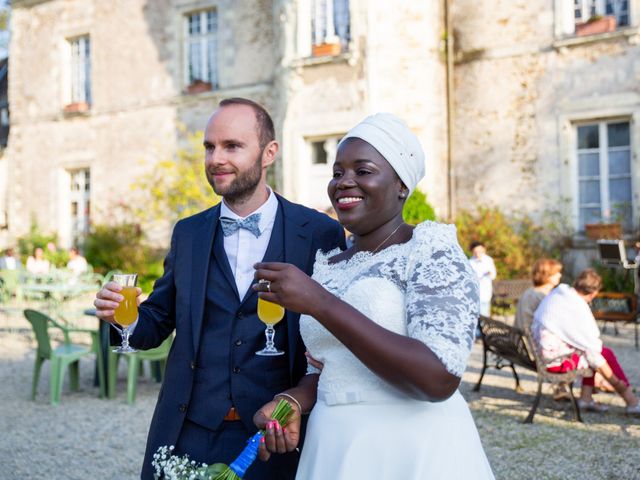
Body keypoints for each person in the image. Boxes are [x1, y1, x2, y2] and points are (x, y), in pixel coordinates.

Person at [93, 98, 345, 479]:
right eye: (209, 147)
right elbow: (159, 319)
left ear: (269, 153)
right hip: (191, 430)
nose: (215, 158)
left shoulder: (318, 232)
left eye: (232, 146)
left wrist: (296, 403)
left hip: (275, 435)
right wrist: (122, 320)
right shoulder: (188, 232)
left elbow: (333, 335)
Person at [252, 113, 494, 479]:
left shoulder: (431, 250)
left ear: (401, 185)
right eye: (337, 173)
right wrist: (291, 403)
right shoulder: (329, 266)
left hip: (411, 447)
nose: (344, 182)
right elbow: (328, 368)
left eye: (362, 171)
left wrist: (320, 302)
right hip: (334, 446)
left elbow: (439, 378)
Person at [532, 268, 640, 415]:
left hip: (542, 353)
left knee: (591, 352)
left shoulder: (560, 293)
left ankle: (586, 398)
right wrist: (617, 383)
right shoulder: (578, 307)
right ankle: (631, 401)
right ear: (594, 293)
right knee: (602, 353)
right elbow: (594, 349)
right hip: (555, 362)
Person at [514, 258, 563, 332]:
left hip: (520, 338)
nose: (560, 275)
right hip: (531, 339)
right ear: (547, 275)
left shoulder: (530, 291)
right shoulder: (541, 296)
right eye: (556, 273)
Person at [469, 241, 497, 317]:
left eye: (479, 251)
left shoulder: (488, 260)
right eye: (475, 252)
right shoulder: (470, 262)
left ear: (483, 250)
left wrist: (488, 273)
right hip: (474, 293)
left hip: (485, 292)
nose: (478, 253)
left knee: (484, 315)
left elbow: (493, 275)